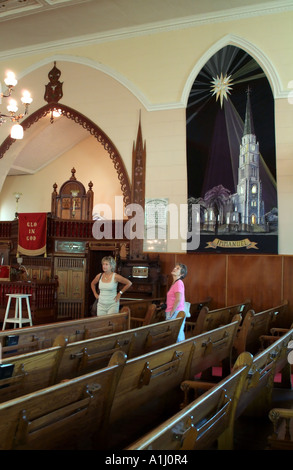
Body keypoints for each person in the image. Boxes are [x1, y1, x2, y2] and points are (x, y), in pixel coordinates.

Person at [164, 263, 188, 341]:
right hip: (173, 311)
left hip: (175, 312)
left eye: (178, 268)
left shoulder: (178, 283)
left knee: (177, 334)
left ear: (181, 274)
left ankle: (181, 350)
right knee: (173, 335)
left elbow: (178, 299)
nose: (174, 268)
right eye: (175, 267)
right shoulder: (175, 283)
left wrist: (171, 312)